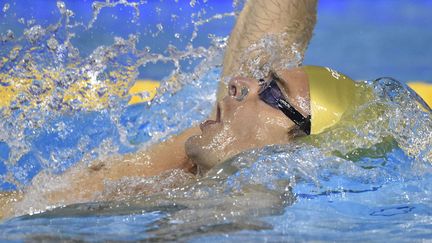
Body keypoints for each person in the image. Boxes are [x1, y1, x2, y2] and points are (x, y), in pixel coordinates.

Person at [1, 0, 361, 218]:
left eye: (270, 93)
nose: (241, 83)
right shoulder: (194, 159)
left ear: (298, 148)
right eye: (261, 81)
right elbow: (278, 29)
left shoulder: (246, 205)